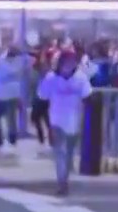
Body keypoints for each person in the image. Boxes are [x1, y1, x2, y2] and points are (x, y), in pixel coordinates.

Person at [37, 51, 92, 195]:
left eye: (71, 62)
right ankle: (62, 181)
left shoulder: (80, 78)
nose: (67, 66)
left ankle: (64, 176)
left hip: (74, 121)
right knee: (59, 152)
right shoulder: (51, 78)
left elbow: (87, 96)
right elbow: (42, 96)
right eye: (65, 63)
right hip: (56, 119)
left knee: (68, 153)